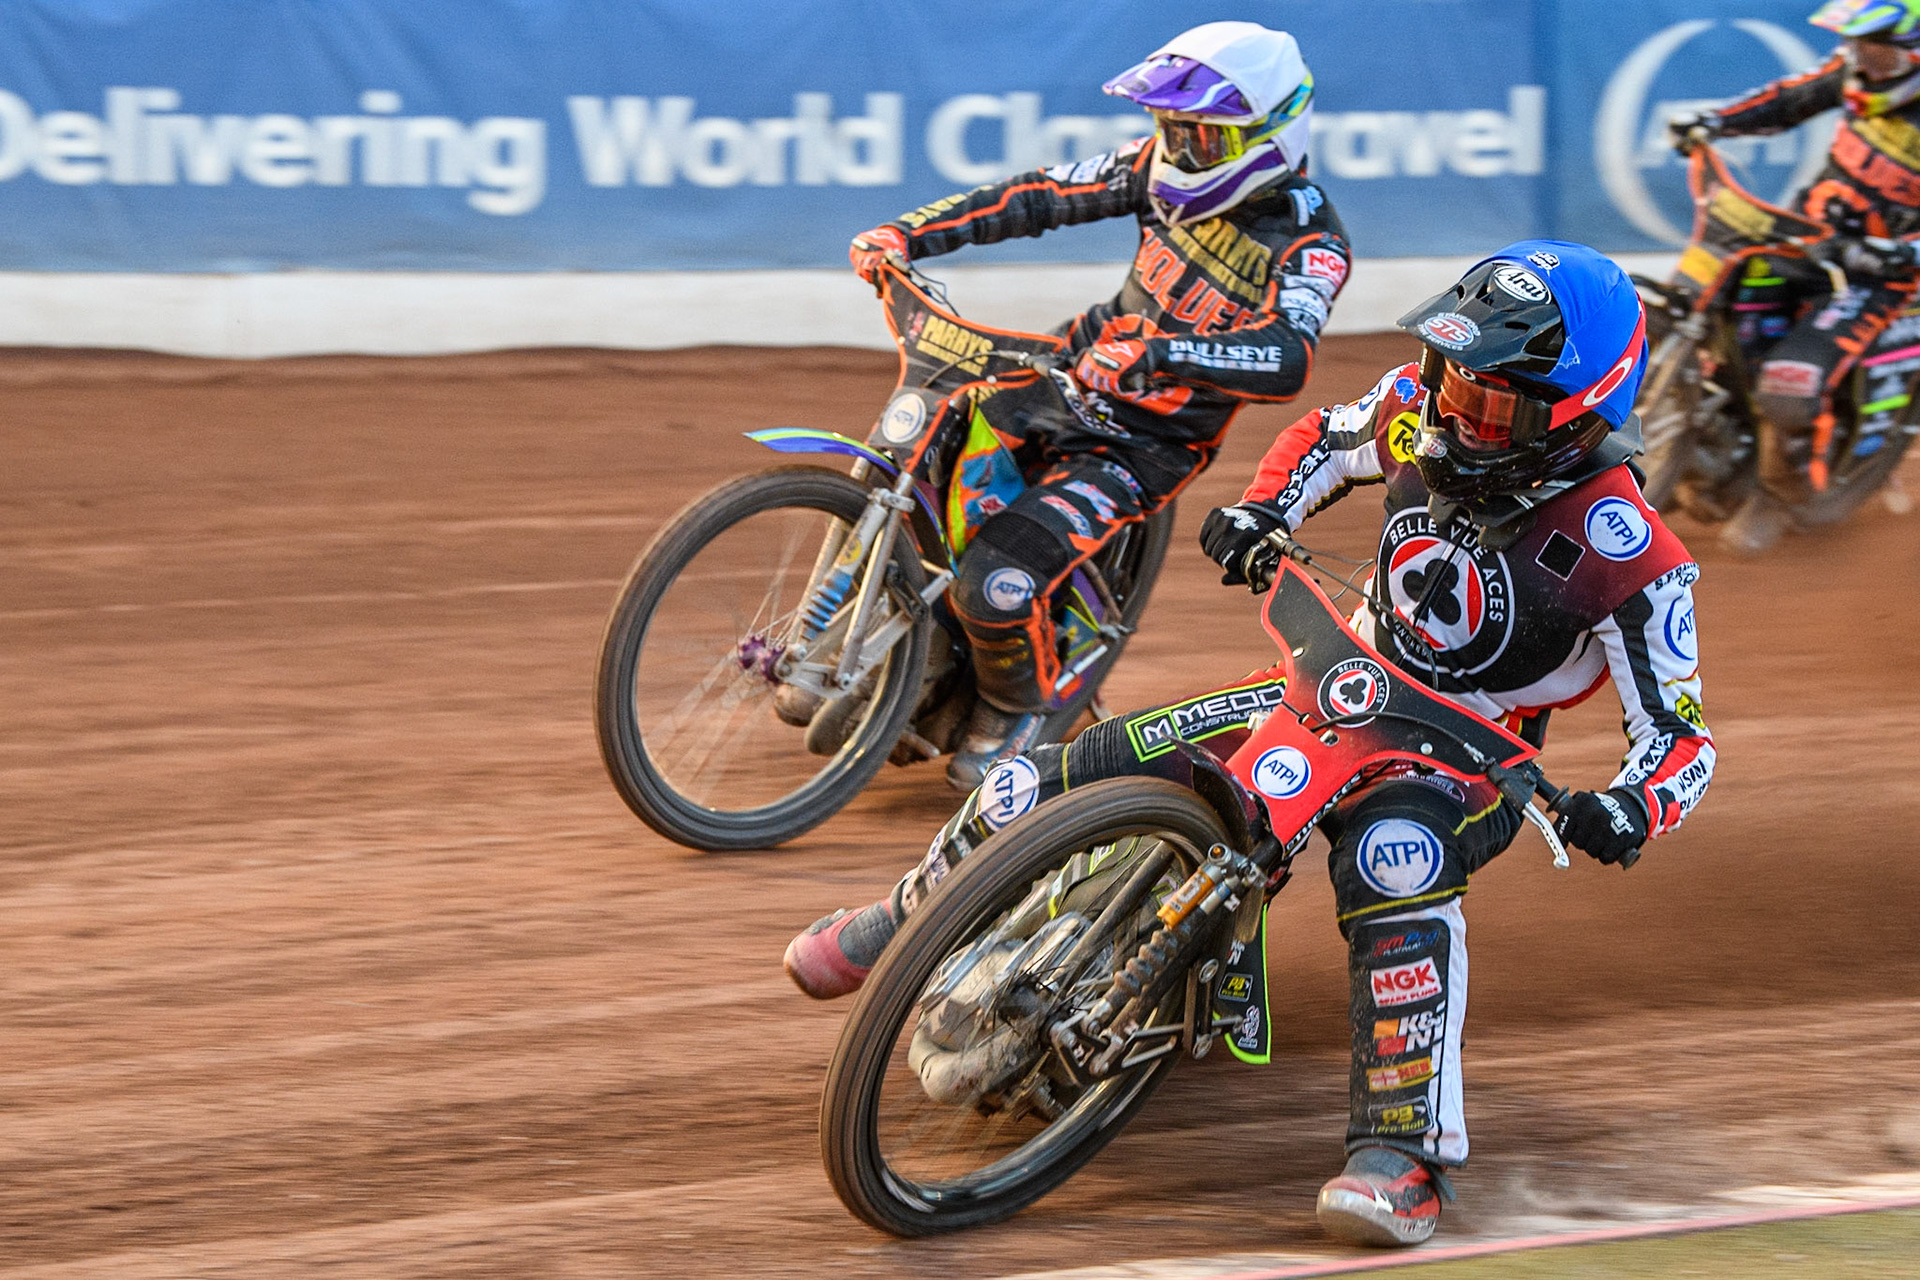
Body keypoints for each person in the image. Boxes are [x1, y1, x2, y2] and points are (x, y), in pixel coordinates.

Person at [787, 242, 1715, 1248]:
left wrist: (1630, 803)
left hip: (1468, 759)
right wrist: (1263, 506)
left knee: (1391, 865)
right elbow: (1322, 436)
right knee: (1055, 770)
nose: (1456, 411)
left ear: (1576, 414)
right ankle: (905, 916)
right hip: (1338, 678)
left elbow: (1681, 737)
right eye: (1455, 378)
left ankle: (1402, 1154)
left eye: (1494, 406)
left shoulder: (1633, 552)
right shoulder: (1421, 401)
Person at [847, 20, 1349, 788]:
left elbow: (1288, 357)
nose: (1180, 151)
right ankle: (903, 649)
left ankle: (1017, 708)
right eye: (1173, 130)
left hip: (1146, 442)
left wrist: (1163, 354)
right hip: (1064, 369)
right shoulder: (1152, 168)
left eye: (1202, 138)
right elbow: (1039, 197)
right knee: (916, 464)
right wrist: (907, 233)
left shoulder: (1310, 241)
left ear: (1271, 132)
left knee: (994, 581)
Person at [1669, 0, 1920, 552]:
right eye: (1858, 48)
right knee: (1727, 300)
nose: (1863, 62)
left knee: (1790, 381)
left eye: (1878, 52)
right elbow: (1787, 99)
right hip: (1811, 237)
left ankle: (1779, 498)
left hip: (1885, 276)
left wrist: (1902, 252)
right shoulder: (1852, 75)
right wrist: (1714, 121)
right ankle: (1706, 443)